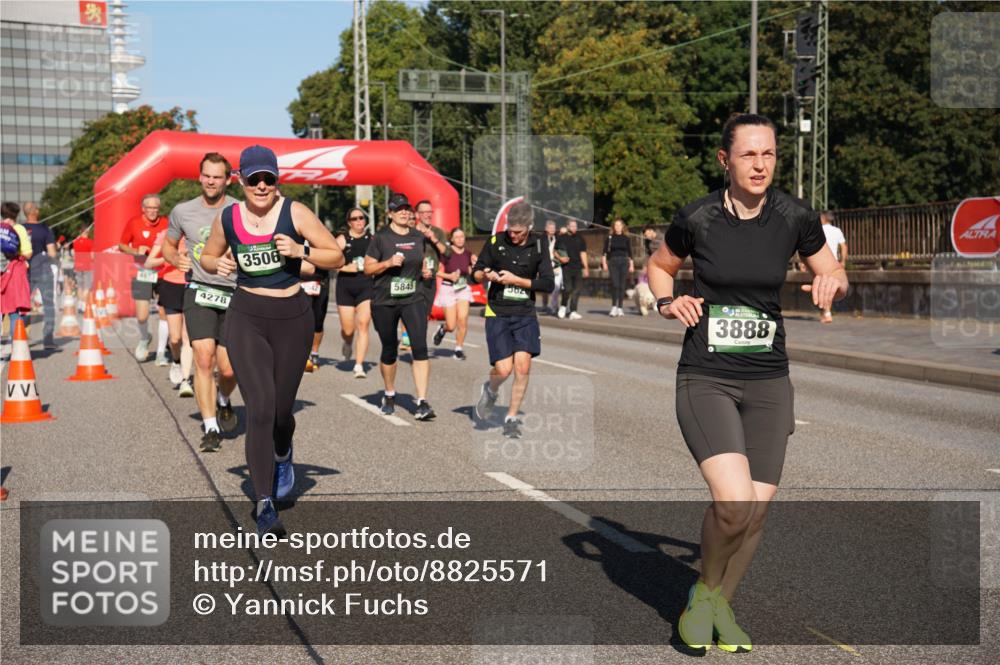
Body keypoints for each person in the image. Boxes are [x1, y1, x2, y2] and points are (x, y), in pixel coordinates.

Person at [647, 113, 848, 653]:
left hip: (768, 379)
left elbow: (831, 269)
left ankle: (717, 606)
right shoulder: (698, 218)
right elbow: (659, 266)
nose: (760, 165)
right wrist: (669, 301)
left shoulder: (794, 216)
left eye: (769, 155)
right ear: (725, 160)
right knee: (733, 503)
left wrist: (831, 278)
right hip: (707, 376)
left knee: (755, 513)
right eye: (749, 155)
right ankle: (704, 596)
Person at [201, 144, 342, 536]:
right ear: (240, 180)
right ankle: (264, 504)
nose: (261, 186)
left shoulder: (294, 212)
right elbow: (208, 258)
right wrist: (220, 262)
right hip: (247, 317)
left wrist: (302, 249)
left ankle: (283, 452)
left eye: (268, 179)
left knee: (281, 413)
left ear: (276, 180)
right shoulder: (228, 217)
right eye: (253, 179)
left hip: (292, 319)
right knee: (260, 409)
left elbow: (337, 257)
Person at [162, 152, 240, 453]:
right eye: (206, 175)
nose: (211, 181)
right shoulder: (183, 211)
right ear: (199, 176)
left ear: (227, 180)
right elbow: (169, 246)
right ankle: (210, 428)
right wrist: (176, 258)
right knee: (203, 358)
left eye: (217, 176)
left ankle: (223, 399)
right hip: (199, 289)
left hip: (234, 293)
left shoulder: (240, 209)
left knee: (230, 369)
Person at [472, 201, 554, 438]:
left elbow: (547, 283)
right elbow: (476, 272)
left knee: (523, 367)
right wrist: (485, 274)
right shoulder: (496, 241)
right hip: (497, 311)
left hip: (524, 313)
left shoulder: (540, 244)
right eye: (511, 230)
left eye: (519, 232)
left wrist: (516, 280)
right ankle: (491, 389)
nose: (514, 235)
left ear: (529, 226)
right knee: (504, 369)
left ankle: (511, 417)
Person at [365, 193, 437, 421]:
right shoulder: (380, 238)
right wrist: (387, 263)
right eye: (400, 209)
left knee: (419, 347)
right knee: (389, 349)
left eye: (407, 209)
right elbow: (368, 269)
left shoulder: (417, 237)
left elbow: (420, 261)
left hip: (413, 298)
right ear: (390, 214)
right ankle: (389, 394)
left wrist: (425, 272)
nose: (405, 212)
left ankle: (422, 401)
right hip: (385, 300)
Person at [119, 194, 169, 362]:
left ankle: (161, 353)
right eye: (150, 208)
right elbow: (122, 245)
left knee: (164, 312)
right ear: (143, 209)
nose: (153, 211)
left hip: (163, 272)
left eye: (156, 208)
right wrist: (135, 251)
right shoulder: (134, 223)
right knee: (142, 316)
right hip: (142, 271)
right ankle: (144, 337)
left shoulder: (166, 222)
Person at [145, 230, 194, 397]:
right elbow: (149, 263)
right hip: (171, 285)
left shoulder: (197, 231)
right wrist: (172, 257)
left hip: (192, 285)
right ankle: (176, 361)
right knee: (175, 338)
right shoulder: (165, 235)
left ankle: (186, 381)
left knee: (188, 337)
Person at [332, 207, 373, 378]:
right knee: (348, 329)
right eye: (355, 219)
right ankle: (347, 342)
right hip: (346, 287)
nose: (358, 221)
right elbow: (329, 260)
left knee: (363, 325)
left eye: (361, 218)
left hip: (366, 286)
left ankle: (359, 365)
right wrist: (344, 267)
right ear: (349, 222)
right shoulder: (342, 240)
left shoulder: (372, 239)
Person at [432, 227, 476, 358]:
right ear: (451, 239)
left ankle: (458, 348)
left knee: (462, 320)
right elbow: (437, 271)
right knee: (451, 326)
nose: (460, 239)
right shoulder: (447, 253)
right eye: (456, 237)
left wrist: (475, 267)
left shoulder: (468, 254)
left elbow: (470, 272)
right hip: (448, 288)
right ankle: (442, 329)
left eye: (462, 236)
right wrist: (449, 276)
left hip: (462, 288)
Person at [22, 202, 58, 349]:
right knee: (48, 305)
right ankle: (48, 340)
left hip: (25, 271)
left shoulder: (21, 229)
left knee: (22, 305)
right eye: (38, 208)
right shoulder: (45, 229)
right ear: (34, 212)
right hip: (43, 271)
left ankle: (19, 337)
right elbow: (52, 253)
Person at [1, 203, 32, 358]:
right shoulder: (19, 229)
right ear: (16, 214)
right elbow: (27, 252)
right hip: (13, 273)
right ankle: (16, 351)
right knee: (14, 313)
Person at [601, 218, 634, 317]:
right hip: (613, 262)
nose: (618, 227)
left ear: (622, 226)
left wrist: (631, 264)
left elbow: (630, 252)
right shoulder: (610, 238)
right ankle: (613, 307)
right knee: (615, 284)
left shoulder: (626, 238)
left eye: (619, 225)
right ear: (613, 227)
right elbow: (604, 252)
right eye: (616, 225)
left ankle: (620, 307)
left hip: (624, 262)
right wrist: (604, 263)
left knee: (622, 285)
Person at [555, 219, 588, 319]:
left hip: (578, 267)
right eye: (572, 226)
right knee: (568, 288)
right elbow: (555, 251)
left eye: (575, 226)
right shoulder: (562, 238)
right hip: (567, 267)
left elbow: (583, 253)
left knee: (577, 290)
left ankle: (573, 311)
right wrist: (560, 258)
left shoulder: (580, 238)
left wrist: (586, 267)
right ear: (568, 226)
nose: (574, 228)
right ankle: (563, 306)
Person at [819, 211, 847, 323]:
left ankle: (827, 313)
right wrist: (843, 261)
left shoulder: (818, 230)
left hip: (821, 262)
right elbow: (844, 246)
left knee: (824, 288)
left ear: (823, 218)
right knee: (829, 287)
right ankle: (825, 312)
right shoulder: (837, 231)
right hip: (834, 263)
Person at [544, 220, 563, 314]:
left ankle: (554, 306)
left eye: (553, 228)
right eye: (550, 228)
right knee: (546, 287)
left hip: (556, 265)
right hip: (546, 265)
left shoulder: (557, 238)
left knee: (557, 287)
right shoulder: (542, 239)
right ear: (546, 229)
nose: (552, 230)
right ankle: (545, 305)